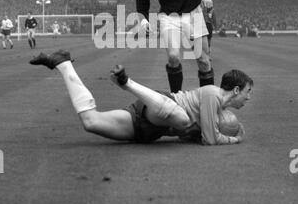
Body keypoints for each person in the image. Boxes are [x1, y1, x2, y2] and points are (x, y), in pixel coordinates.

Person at [29, 49, 253, 145]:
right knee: (183, 119)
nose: (248, 98)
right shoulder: (212, 94)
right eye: (247, 92)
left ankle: (62, 63)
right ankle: (127, 83)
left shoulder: (215, 109)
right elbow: (210, 139)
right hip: (165, 105)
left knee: (91, 122)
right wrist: (235, 139)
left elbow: (193, 135)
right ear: (236, 90)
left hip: (148, 126)